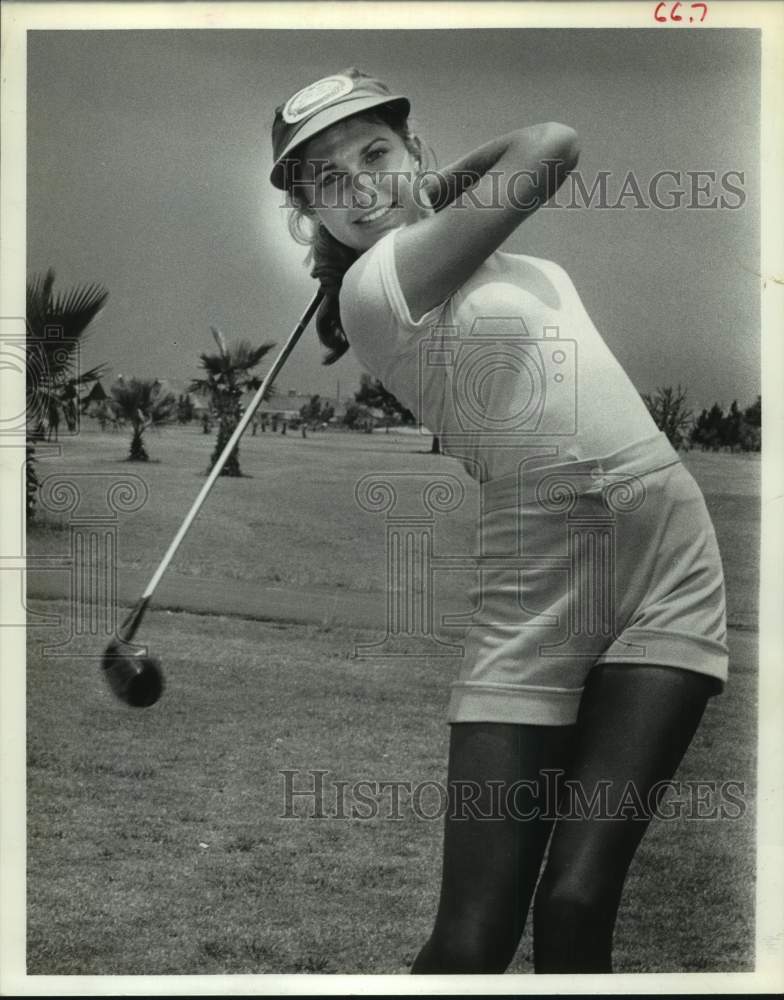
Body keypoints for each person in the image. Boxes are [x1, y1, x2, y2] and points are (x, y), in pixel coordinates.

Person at [268, 67, 729, 974]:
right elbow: (552, 142)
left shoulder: (471, 256)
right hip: (539, 578)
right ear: (311, 213)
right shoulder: (376, 286)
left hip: (669, 554)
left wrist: (425, 191)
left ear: (414, 149)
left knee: (578, 903)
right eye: (328, 179)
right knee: (472, 939)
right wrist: (431, 186)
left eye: (376, 153)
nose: (360, 182)